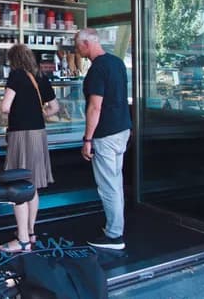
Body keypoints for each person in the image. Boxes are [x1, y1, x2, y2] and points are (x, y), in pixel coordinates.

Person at [0, 44, 59, 253]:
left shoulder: (16, 76)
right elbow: (55, 107)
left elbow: (6, 106)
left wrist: (11, 112)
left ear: (13, 60)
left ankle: (22, 239)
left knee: (19, 185)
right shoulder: (40, 77)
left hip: (21, 135)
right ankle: (30, 232)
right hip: (38, 134)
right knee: (31, 185)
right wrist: (38, 114)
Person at [75, 28, 131, 251]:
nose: (76, 49)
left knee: (108, 187)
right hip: (122, 129)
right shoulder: (117, 63)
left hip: (106, 134)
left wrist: (87, 139)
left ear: (87, 44)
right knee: (115, 183)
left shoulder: (97, 69)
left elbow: (95, 106)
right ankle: (114, 227)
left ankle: (115, 236)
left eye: (77, 45)